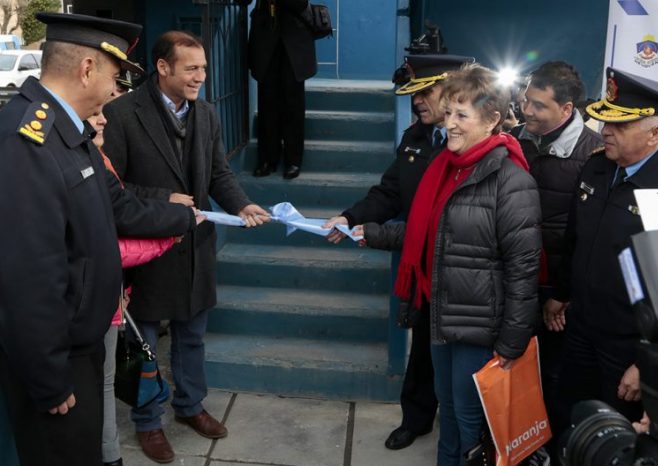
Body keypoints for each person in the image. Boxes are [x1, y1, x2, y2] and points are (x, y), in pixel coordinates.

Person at [0, 12, 199, 466]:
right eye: (113, 77)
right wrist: (48, 377)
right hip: (57, 363)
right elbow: (27, 279)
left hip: (83, 347)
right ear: (87, 68)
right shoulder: (26, 141)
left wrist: (184, 216)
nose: (115, 91)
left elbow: (120, 205)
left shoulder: (72, 132)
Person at [102, 30, 269, 464]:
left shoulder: (208, 115)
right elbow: (110, 186)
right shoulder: (121, 113)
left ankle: (190, 406)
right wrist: (161, 200)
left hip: (196, 248)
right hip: (148, 250)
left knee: (193, 337)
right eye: (191, 68)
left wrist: (244, 203)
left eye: (204, 69)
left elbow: (219, 175)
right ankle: (147, 422)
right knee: (143, 346)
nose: (201, 77)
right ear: (163, 68)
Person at [364, 63, 541, 465]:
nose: (451, 125)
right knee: (449, 412)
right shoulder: (445, 167)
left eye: (462, 115)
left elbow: (523, 268)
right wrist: (369, 232)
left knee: (468, 418)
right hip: (442, 316)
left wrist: (512, 340)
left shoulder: (511, 180)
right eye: (449, 114)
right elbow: (425, 233)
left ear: (492, 120)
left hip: (480, 328)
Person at [324, 54, 473, 451]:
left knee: (462, 360)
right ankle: (417, 419)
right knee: (423, 347)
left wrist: (375, 234)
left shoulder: (473, 145)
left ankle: (464, 431)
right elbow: (390, 192)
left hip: (464, 272)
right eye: (414, 93)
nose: (419, 100)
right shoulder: (415, 138)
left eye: (427, 91)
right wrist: (349, 216)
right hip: (423, 268)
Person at [546, 68, 658, 437]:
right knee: (569, 419)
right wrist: (560, 294)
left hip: (629, 348)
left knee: (614, 435)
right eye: (604, 122)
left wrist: (647, 362)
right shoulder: (597, 167)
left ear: (656, 134)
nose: (604, 132)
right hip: (580, 328)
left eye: (619, 126)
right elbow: (575, 240)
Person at [510, 61, 602, 422]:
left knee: (553, 376)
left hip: (558, 295)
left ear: (567, 110)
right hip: (513, 281)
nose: (526, 110)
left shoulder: (594, 155)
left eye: (538, 105)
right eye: (526, 101)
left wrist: (561, 296)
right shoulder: (512, 140)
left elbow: (587, 236)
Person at [87, 105, 178, 466]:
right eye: (94, 113)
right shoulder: (90, 163)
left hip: (109, 294)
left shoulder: (97, 159)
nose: (103, 118)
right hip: (92, 302)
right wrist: (170, 234)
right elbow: (111, 240)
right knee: (103, 384)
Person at [243, 0, 316, 179]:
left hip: (294, 40)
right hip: (264, 39)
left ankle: (293, 159)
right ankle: (267, 159)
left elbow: (300, 4)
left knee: (293, 103)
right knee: (266, 102)